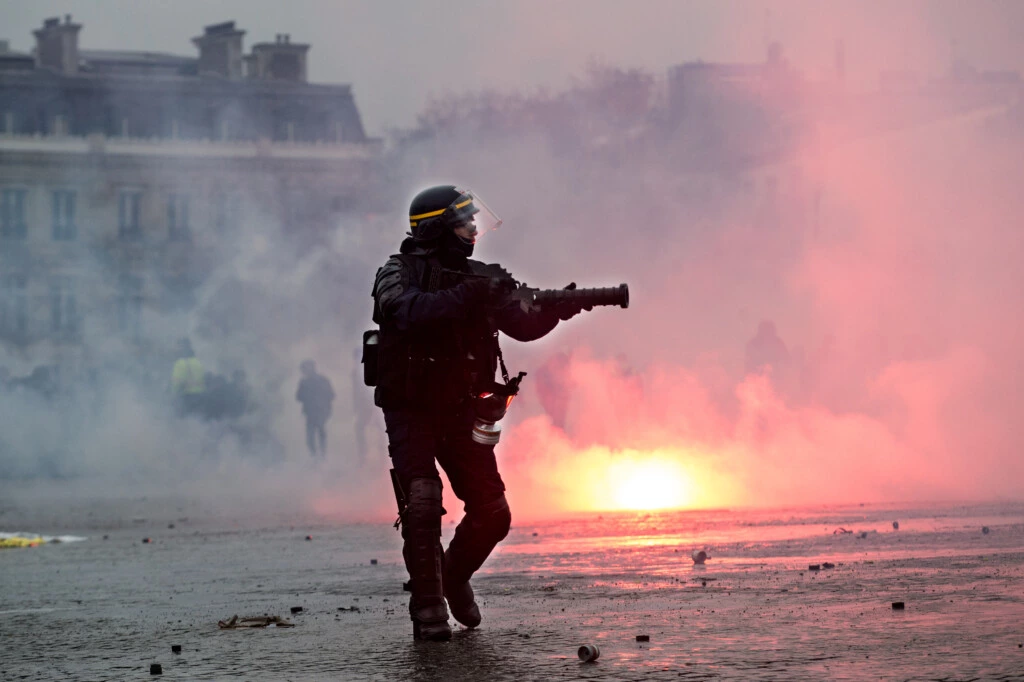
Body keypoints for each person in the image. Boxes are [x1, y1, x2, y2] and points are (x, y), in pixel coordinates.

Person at [370, 184, 592, 641]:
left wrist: (559, 310)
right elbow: (403, 312)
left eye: (474, 221)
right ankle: (428, 608)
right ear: (435, 229)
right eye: (463, 222)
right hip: (411, 408)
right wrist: (470, 296)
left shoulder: (481, 276)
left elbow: (522, 325)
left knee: (493, 512)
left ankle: (452, 577)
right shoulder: (397, 271)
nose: (473, 231)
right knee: (423, 501)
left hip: (460, 409)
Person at [296, 359, 334, 458]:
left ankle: (322, 455)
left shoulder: (322, 380)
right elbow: (299, 397)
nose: (304, 371)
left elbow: (331, 395)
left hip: (320, 412)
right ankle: (316, 457)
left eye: (306, 368)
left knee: (319, 434)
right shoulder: (304, 382)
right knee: (311, 437)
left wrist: (326, 407)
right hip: (311, 413)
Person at [171, 338, 205, 416]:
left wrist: (172, 396)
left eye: (178, 347)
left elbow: (176, 384)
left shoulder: (180, 363)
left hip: (186, 399)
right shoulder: (198, 362)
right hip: (201, 398)